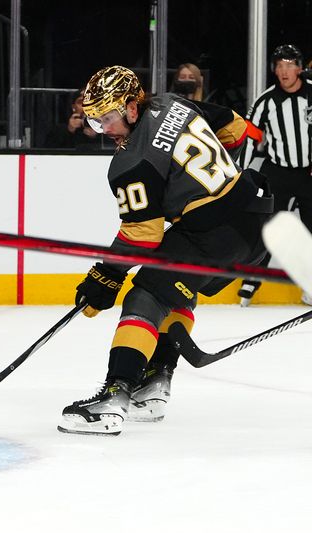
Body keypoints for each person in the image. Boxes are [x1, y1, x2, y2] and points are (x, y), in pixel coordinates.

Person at [58, 66, 270, 436]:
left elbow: (142, 234)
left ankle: (115, 395)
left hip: (212, 232)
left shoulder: (130, 162)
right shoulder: (175, 104)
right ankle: (155, 381)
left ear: (131, 108)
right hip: (253, 222)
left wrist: (104, 277)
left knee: (145, 296)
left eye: (107, 118)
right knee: (175, 288)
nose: (103, 129)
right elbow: (236, 130)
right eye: (94, 121)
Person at [237, 44, 312, 306]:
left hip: (309, 172)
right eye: (279, 65)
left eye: (290, 64)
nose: (284, 71)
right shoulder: (266, 101)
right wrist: (243, 174)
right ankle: (251, 279)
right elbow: (249, 137)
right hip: (278, 171)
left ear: (300, 68)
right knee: (269, 227)